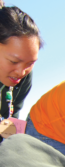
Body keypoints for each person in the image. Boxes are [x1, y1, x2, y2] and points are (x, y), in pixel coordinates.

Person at [0, 0, 42, 138]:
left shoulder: (23, 78)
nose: (21, 72)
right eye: (14, 61)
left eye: (30, 63)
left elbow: (12, 114)